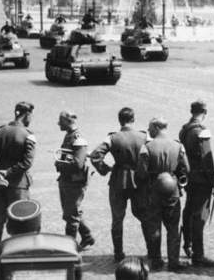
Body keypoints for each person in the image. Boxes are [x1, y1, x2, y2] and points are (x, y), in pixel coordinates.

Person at [89, 107, 150, 262]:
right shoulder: (144, 136)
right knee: (144, 215)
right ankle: (152, 250)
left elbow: (95, 155)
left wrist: (105, 169)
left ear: (119, 120)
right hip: (139, 181)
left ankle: (118, 253)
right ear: (133, 119)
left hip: (118, 180)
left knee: (117, 218)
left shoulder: (112, 137)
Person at [0, 101, 36, 259]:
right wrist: (9, 172)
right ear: (27, 115)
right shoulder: (28, 135)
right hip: (19, 186)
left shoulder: (0, 132)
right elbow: (27, 162)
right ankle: (20, 255)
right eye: (31, 116)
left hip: (0, 186)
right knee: (21, 221)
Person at [136, 117, 190, 271]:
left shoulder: (147, 147)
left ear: (156, 127)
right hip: (172, 190)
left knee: (154, 227)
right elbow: (186, 168)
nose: (149, 130)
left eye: (150, 127)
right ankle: (174, 261)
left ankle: (157, 260)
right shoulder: (178, 145)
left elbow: (141, 173)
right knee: (173, 227)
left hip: (153, 190)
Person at [179, 100, 214, 267]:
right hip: (202, 180)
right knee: (200, 217)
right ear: (205, 112)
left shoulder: (184, 129)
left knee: (188, 211)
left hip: (189, 178)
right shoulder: (202, 132)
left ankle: (187, 244)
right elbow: (207, 159)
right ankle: (198, 254)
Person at [55, 111, 95, 251]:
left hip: (75, 182)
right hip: (67, 180)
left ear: (68, 121)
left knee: (71, 216)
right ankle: (87, 236)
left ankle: (68, 248)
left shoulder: (78, 138)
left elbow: (78, 163)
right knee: (70, 212)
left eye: (61, 120)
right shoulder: (69, 136)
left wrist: (59, 164)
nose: (58, 123)